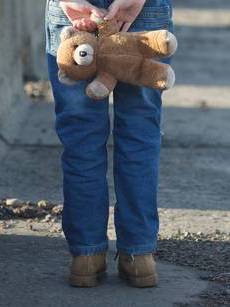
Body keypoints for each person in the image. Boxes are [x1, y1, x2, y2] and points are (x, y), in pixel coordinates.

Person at [45, 0, 174, 288]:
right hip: (144, 11)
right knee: (140, 134)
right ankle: (139, 256)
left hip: (75, 15)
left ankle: (86, 257)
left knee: (81, 137)